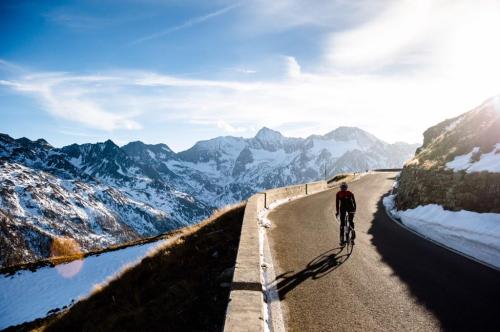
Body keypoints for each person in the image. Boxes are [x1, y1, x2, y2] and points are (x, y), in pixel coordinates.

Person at [336, 182, 356, 246]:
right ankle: (352, 236)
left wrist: (337, 212)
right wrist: (354, 210)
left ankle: (342, 241)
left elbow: (337, 204)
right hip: (351, 209)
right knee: (351, 221)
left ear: (340, 188)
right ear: (346, 188)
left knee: (342, 224)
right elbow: (354, 202)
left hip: (343, 209)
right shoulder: (350, 193)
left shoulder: (338, 193)